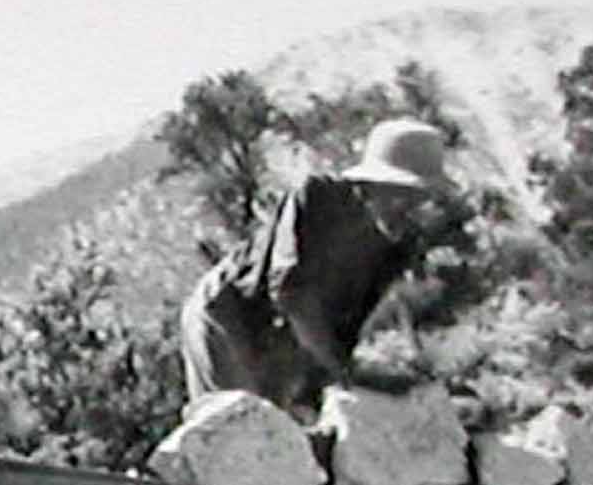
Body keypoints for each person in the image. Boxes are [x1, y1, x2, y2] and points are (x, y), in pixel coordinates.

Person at [178, 117, 451, 414]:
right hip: (227, 314)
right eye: (402, 194)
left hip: (283, 339)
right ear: (370, 186)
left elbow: (351, 325)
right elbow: (290, 293)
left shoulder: (398, 243)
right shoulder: (318, 200)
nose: (410, 207)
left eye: (421, 196)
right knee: (235, 428)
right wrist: (344, 372)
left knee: (285, 438)